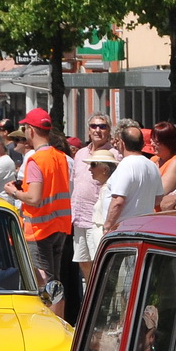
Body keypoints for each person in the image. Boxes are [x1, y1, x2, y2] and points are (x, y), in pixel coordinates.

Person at [5, 107, 73, 304]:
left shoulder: (36, 160)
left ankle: (48, 319)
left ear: (31, 130)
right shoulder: (60, 157)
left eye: (25, 128)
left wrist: (13, 192)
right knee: (54, 283)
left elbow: (34, 198)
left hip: (39, 229)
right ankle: (57, 318)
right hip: (59, 226)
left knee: (42, 282)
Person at [71, 115, 115, 284]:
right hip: (79, 217)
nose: (98, 130)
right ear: (88, 130)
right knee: (83, 262)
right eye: (94, 126)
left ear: (109, 130)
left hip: (97, 220)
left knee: (100, 264)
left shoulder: (113, 155)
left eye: (102, 126)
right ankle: (91, 295)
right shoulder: (80, 153)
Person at [106, 122, 163, 228]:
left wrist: (107, 226)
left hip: (124, 228)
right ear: (142, 144)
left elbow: (118, 201)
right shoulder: (153, 166)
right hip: (144, 226)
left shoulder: (125, 165)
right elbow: (158, 199)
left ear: (122, 143)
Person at [152, 122, 176, 193]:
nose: (152, 144)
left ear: (168, 143)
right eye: (152, 140)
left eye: (157, 142)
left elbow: (161, 192)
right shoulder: (153, 159)